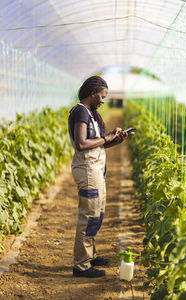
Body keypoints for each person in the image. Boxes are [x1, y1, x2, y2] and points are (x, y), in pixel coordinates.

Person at [68, 76, 133, 278]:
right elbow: (81, 143)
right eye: (102, 96)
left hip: (95, 169)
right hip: (87, 170)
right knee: (88, 216)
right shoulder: (80, 111)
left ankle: (90, 254)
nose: (104, 100)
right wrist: (106, 137)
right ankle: (81, 265)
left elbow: (98, 143)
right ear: (92, 93)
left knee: (97, 213)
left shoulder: (90, 114)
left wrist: (116, 140)